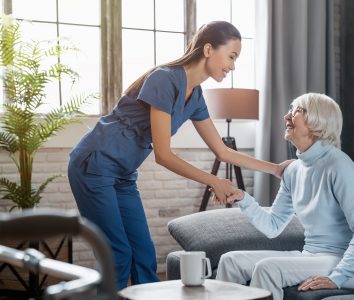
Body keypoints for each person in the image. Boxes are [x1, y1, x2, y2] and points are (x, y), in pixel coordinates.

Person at [68, 21, 291, 290]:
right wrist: (214, 181)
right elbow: (163, 154)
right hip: (94, 165)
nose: (233, 66)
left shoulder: (195, 96)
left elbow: (223, 150)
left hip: (123, 175)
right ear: (208, 49)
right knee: (118, 255)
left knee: (144, 255)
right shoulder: (165, 78)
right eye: (231, 56)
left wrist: (276, 168)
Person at [215, 93, 354, 300]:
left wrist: (338, 277)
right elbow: (273, 225)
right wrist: (243, 199)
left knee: (268, 268)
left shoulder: (339, 165)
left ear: (317, 122)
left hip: (352, 264)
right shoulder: (293, 170)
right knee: (230, 261)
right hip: (311, 256)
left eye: (296, 111)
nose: (286, 116)